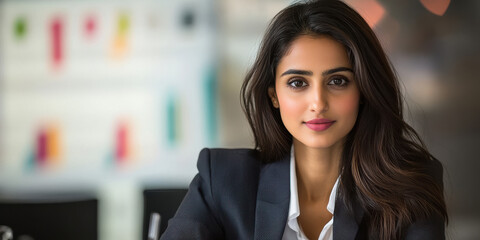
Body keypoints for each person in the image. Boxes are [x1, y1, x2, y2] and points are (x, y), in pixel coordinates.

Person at [160, 0, 448, 239]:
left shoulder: (411, 184)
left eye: (337, 81)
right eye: (298, 83)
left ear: (363, 89)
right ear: (274, 95)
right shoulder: (221, 181)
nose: (318, 103)